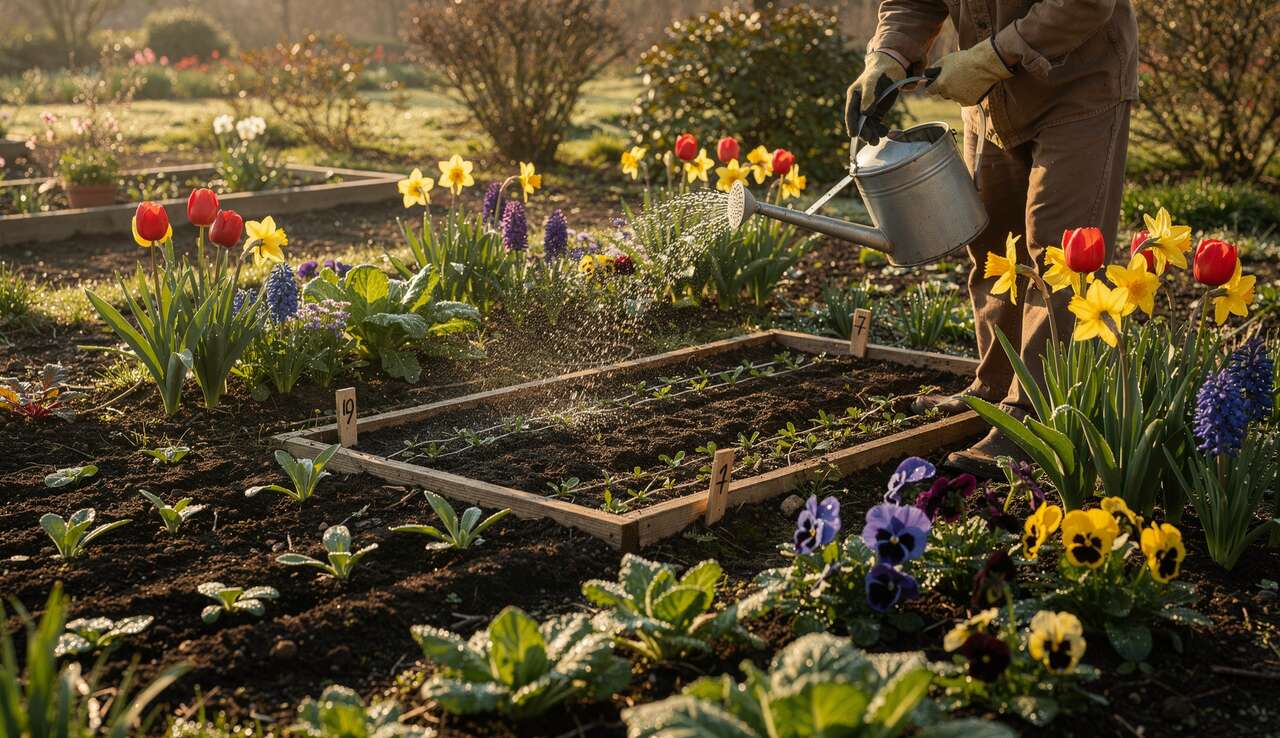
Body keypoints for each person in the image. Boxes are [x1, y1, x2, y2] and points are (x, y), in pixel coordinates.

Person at [845, 0, 1137, 477]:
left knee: (1060, 257)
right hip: (989, 96)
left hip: (1078, 86)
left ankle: (1036, 416)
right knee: (993, 247)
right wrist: (889, 56)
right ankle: (996, 387)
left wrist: (993, 57)